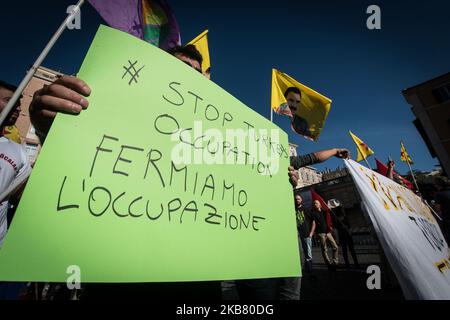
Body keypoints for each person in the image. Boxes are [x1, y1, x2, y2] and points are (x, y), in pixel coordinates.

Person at [29, 45, 223, 300]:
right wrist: (48, 126)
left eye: (197, 75)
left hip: (197, 282)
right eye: (180, 68)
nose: (189, 77)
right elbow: (78, 156)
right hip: (121, 277)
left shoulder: (215, 135)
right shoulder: (116, 112)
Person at [0, 80, 32, 300]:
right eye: (8, 99)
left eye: (20, 102)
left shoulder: (18, 151)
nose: (18, 108)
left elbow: (20, 196)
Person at [311, 200, 339, 269]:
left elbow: (329, 217)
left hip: (328, 232)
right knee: (324, 249)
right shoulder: (313, 213)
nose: (315, 204)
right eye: (314, 203)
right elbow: (314, 223)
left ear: (320, 204)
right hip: (320, 233)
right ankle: (328, 264)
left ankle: (335, 262)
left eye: (316, 203)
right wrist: (315, 234)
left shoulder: (324, 212)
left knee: (335, 247)